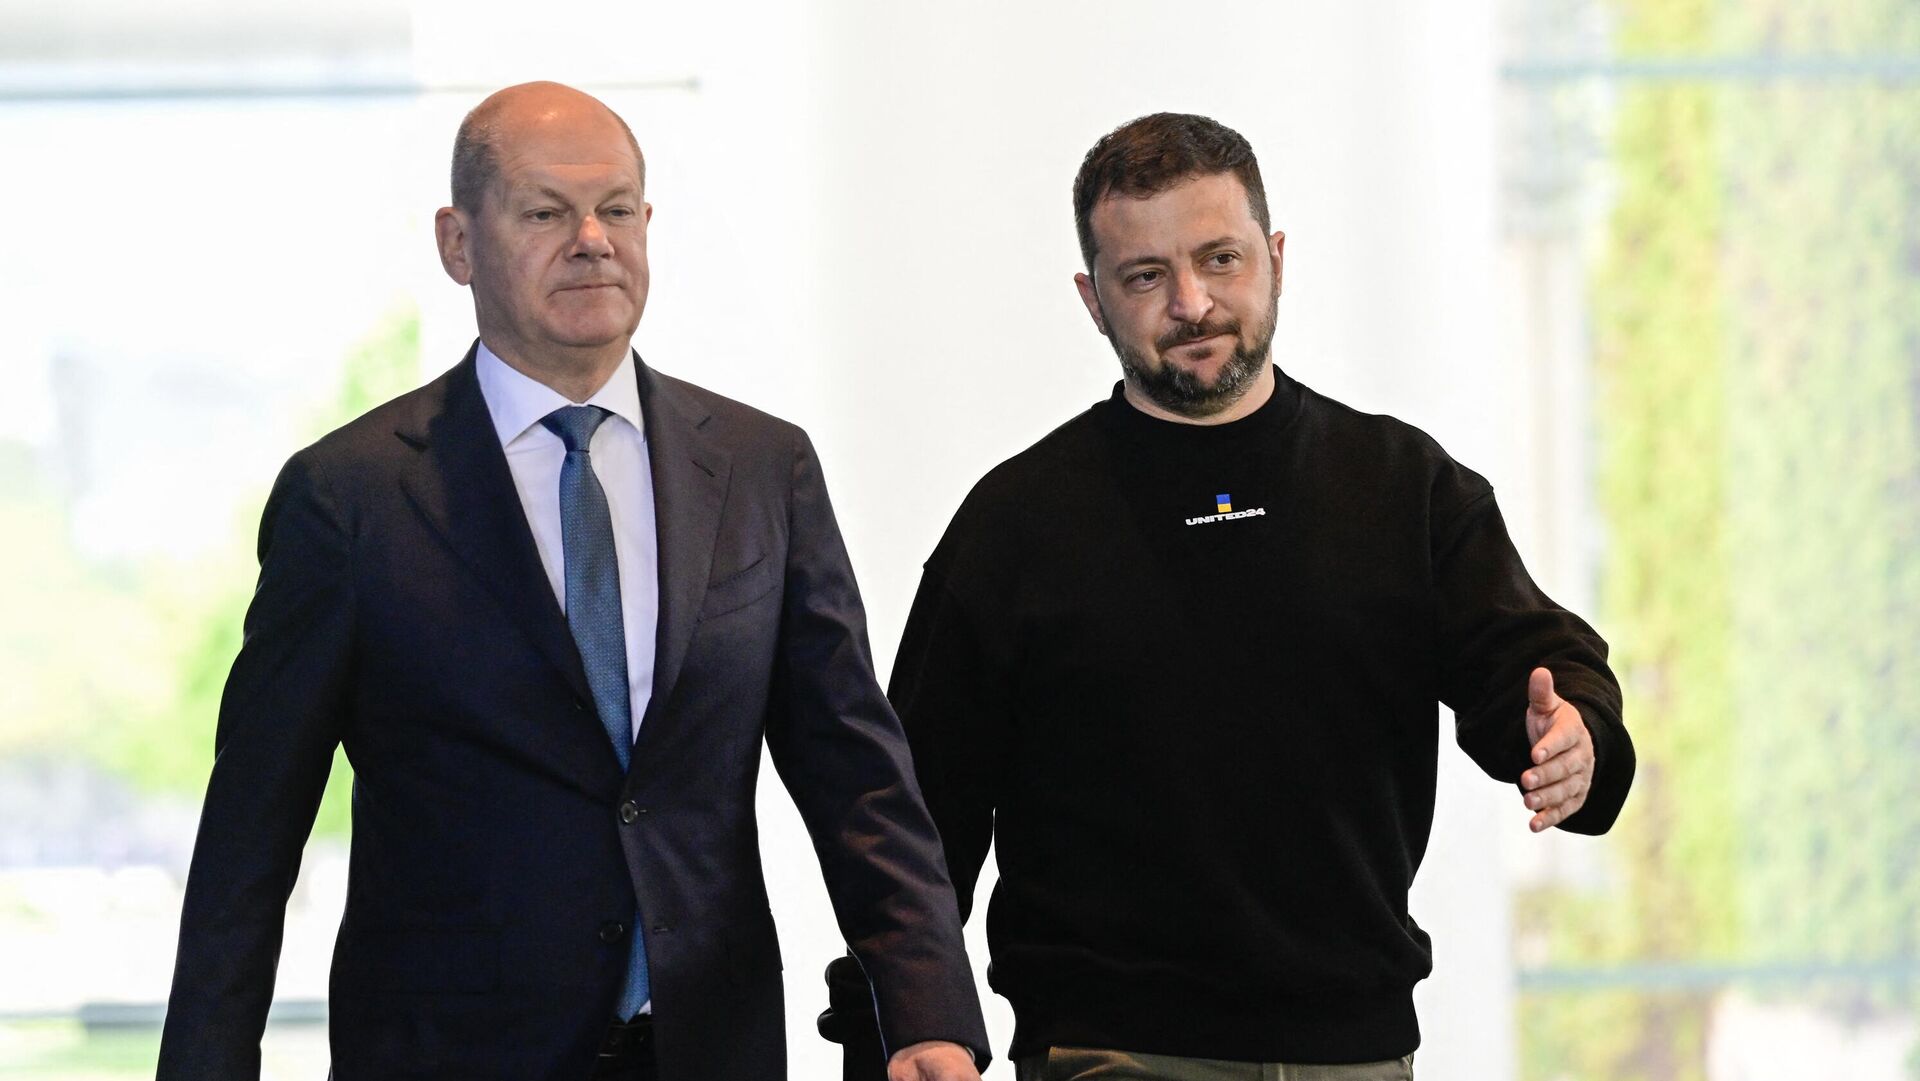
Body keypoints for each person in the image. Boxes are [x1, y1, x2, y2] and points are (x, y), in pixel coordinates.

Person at [157, 81, 987, 1081]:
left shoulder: (763, 467)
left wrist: (929, 1013)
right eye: (546, 213)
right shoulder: (350, 498)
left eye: (617, 209)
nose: (593, 240)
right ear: (458, 244)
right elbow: (251, 836)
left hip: (707, 1049)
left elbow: (856, 769)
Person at [820, 112, 1633, 1081]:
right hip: (1108, 1048)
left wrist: (1573, 737)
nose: (1193, 303)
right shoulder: (1015, 527)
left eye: (1220, 259)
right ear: (1092, 300)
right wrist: (904, 1025)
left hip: (1357, 1050)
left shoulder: (1402, 486)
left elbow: (1529, 666)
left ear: (1275, 259)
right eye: (1145, 276)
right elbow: (913, 824)